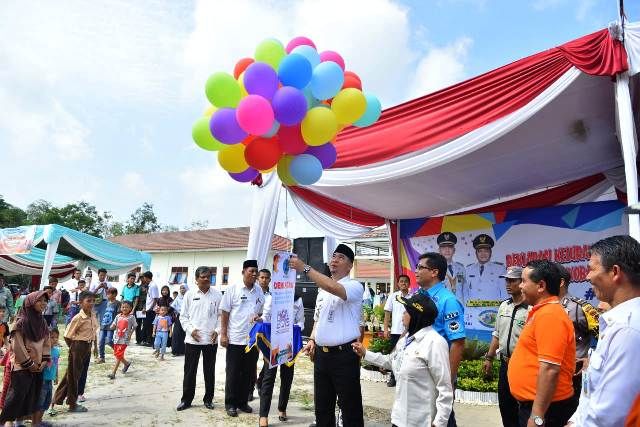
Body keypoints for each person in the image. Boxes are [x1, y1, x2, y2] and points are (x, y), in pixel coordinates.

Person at [567, 235, 640, 427]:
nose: (587, 277)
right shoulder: (617, 323)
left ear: (615, 272)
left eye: (592, 269)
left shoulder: (627, 330)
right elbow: (593, 392)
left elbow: (609, 416)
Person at [290, 244, 364, 427]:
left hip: (344, 356)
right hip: (322, 357)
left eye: (341, 258)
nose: (335, 260)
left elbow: (333, 287)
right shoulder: (322, 290)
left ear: (350, 265)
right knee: (322, 408)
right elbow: (318, 319)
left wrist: (304, 268)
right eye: (333, 256)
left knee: (350, 409)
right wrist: (312, 339)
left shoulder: (354, 286)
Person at [353, 292, 453, 427]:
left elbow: (445, 389)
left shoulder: (435, 343)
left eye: (406, 311)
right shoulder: (405, 340)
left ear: (416, 315)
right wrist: (365, 353)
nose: (402, 314)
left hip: (421, 422)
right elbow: (391, 361)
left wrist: (440, 422)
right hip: (399, 419)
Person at [507, 260, 576, 427]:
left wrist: (537, 417)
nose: (520, 286)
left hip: (546, 411)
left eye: (524, 281)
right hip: (538, 407)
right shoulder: (541, 312)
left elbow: (550, 369)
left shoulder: (550, 315)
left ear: (541, 286)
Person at [415, 252, 466, 427]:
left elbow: (458, 343)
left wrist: (447, 381)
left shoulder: (448, 301)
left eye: (420, 267)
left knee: (441, 418)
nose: (416, 271)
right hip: (419, 370)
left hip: (437, 372)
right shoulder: (418, 296)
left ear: (434, 272)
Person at [256, 275, 306, 427]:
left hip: (289, 343)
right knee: (269, 377)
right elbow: (265, 317)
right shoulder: (272, 297)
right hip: (273, 343)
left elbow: (301, 321)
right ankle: (263, 415)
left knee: (287, 377)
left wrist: (296, 328)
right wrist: (260, 320)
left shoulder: (298, 300)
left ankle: (282, 408)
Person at [482, 266, 529, 427]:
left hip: (523, 366)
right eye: (507, 280)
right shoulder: (504, 306)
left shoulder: (531, 309)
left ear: (522, 282)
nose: (508, 284)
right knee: (506, 406)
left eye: (512, 280)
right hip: (505, 364)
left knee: (523, 408)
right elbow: (497, 334)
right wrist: (489, 358)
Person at [220, 260, 264, 417]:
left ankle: (242, 402)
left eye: (256, 271)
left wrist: (259, 318)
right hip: (235, 338)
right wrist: (223, 334)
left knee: (248, 373)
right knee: (233, 372)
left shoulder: (259, 291)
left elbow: (260, 312)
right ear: (243, 272)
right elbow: (224, 313)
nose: (254, 274)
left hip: (252, 340)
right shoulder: (233, 289)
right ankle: (230, 403)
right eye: (251, 271)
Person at [0, 291, 50, 425]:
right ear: (30, 303)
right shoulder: (21, 323)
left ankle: (20, 423)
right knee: (17, 396)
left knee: (31, 396)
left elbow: (47, 342)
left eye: (45, 301)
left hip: (38, 366)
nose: (43, 303)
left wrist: (44, 360)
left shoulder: (42, 322)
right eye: (39, 300)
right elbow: (18, 346)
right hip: (22, 367)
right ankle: (5, 421)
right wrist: (29, 364)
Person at [176, 266, 222, 412]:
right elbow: (183, 317)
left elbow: (221, 316)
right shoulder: (189, 295)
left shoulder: (217, 295)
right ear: (196, 279)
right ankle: (186, 400)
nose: (206, 279)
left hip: (210, 340)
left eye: (209, 276)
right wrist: (191, 331)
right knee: (190, 371)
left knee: (209, 371)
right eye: (203, 277)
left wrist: (217, 331)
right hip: (192, 340)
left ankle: (208, 399)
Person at [556, 263, 599, 407]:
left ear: (561, 282)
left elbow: (604, 336)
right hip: (549, 372)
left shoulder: (581, 307)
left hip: (573, 375)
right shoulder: (542, 307)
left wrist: (591, 359)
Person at [54, 290, 98, 413]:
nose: (91, 303)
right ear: (80, 303)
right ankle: (72, 404)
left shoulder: (92, 315)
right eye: (88, 301)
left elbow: (93, 332)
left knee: (74, 375)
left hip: (87, 347)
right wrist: (74, 349)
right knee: (74, 377)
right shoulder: (78, 318)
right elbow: (67, 335)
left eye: (93, 301)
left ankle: (57, 399)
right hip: (78, 347)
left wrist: (95, 347)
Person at [463, 234, 507, 335]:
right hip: (472, 317)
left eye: (486, 251)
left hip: (492, 315)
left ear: (490, 252)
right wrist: (467, 312)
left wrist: (503, 315)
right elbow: (465, 293)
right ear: (476, 253)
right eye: (480, 251)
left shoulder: (500, 269)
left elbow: (505, 295)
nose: (483, 254)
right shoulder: (468, 269)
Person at [383, 274, 410, 387]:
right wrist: (385, 329)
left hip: (409, 332)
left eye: (406, 281)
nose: (403, 283)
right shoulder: (393, 296)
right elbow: (387, 313)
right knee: (394, 354)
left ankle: (404, 379)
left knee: (407, 356)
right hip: (395, 331)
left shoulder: (413, 297)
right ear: (398, 284)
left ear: (409, 284)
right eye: (401, 281)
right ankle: (393, 378)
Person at [33, 328, 60, 425]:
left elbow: (56, 364)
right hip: (42, 380)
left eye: (56, 337)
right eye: (52, 337)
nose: (54, 339)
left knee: (47, 401)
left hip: (50, 380)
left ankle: (40, 421)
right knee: (40, 402)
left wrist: (56, 376)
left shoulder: (57, 351)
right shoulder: (43, 351)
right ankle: (36, 422)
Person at [252, 268, 272, 401]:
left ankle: (260, 382)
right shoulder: (253, 294)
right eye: (262, 277)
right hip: (253, 330)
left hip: (267, 332)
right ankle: (249, 389)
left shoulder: (273, 296)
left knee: (267, 361)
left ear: (270, 280)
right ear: (258, 279)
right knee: (252, 361)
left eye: (266, 278)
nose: (264, 280)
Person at [108, 300, 136, 380]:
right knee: (117, 354)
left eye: (127, 307)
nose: (124, 308)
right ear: (120, 308)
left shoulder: (131, 317)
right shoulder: (118, 316)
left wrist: (130, 334)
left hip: (125, 339)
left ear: (130, 308)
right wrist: (111, 327)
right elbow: (113, 325)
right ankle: (126, 363)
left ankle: (113, 373)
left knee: (119, 355)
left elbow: (135, 326)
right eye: (123, 307)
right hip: (117, 338)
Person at [437, 232, 466, 300]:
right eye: (444, 247)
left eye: (450, 247)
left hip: (459, 304)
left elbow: (465, 290)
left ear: (454, 250)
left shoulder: (461, 268)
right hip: (442, 305)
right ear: (439, 250)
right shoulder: (433, 269)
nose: (447, 250)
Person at [97, 288, 120, 364]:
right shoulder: (105, 303)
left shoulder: (117, 303)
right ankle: (102, 357)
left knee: (109, 340)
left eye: (109, 294)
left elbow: (119, 314)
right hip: (103, 325)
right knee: (101, 341)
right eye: (107, 294)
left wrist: (116, 324)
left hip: (111, 325)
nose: (107, 295)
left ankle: (118, 352)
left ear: (115, 294)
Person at [90, 268, 114, 338]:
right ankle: (92, 336)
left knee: (103, 321)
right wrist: (98, 287)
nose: (103, 277)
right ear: (98, 275)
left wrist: (106, 288)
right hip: (95, 303)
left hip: (105, 303)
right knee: (93, 320)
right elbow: (90, 294)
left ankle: (102, 337)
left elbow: (111, 295)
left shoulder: (109, 284)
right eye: (101, 275)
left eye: (104, 275)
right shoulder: (94, 283)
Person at [141, 272, 160, 347]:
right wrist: (145, 308)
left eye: (144, 277)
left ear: (146, 278)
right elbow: (149, 298)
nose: (143, 279)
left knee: (150, 326)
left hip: (151, 310)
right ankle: (147, 341)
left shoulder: (153, 286)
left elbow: (155, 299)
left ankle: (150, 342)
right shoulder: (149, 285)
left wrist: (150, 309)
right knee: (146, 325)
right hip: (147, 309)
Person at [170, 285, 187, 357]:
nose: (182, 290)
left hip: (187, 317)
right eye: (181, 288)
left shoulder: (189, 297)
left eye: (184, 288)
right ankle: (175, 351)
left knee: (184, 334)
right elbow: (173, 306)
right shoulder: (178, 297)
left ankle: (183, 351)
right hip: (179, 317)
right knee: (176, 334)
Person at [135, 280, 148, 345]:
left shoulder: (149, 287)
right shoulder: (137, 287)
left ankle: (143, 339)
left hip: (145, 309)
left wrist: (144, 307)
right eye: (141, 278)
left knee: (145, 325)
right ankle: (138, 340)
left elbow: (148, 299)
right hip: (138, 308)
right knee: (137, 325)